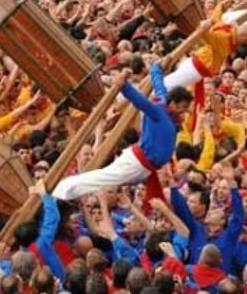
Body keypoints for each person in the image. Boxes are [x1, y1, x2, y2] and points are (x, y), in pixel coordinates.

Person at [52, 63, 193, 201]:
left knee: (108, 184)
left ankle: (64, 194)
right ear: (173, 103)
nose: (185, 110)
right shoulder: (159, 111)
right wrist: (124, 86)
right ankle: (60, 192)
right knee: (102, 179)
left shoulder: (165, 105)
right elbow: (140, 101)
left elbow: (159, 85)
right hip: (137, 162)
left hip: (144, 168)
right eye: (183, 106)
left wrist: (156, 68)